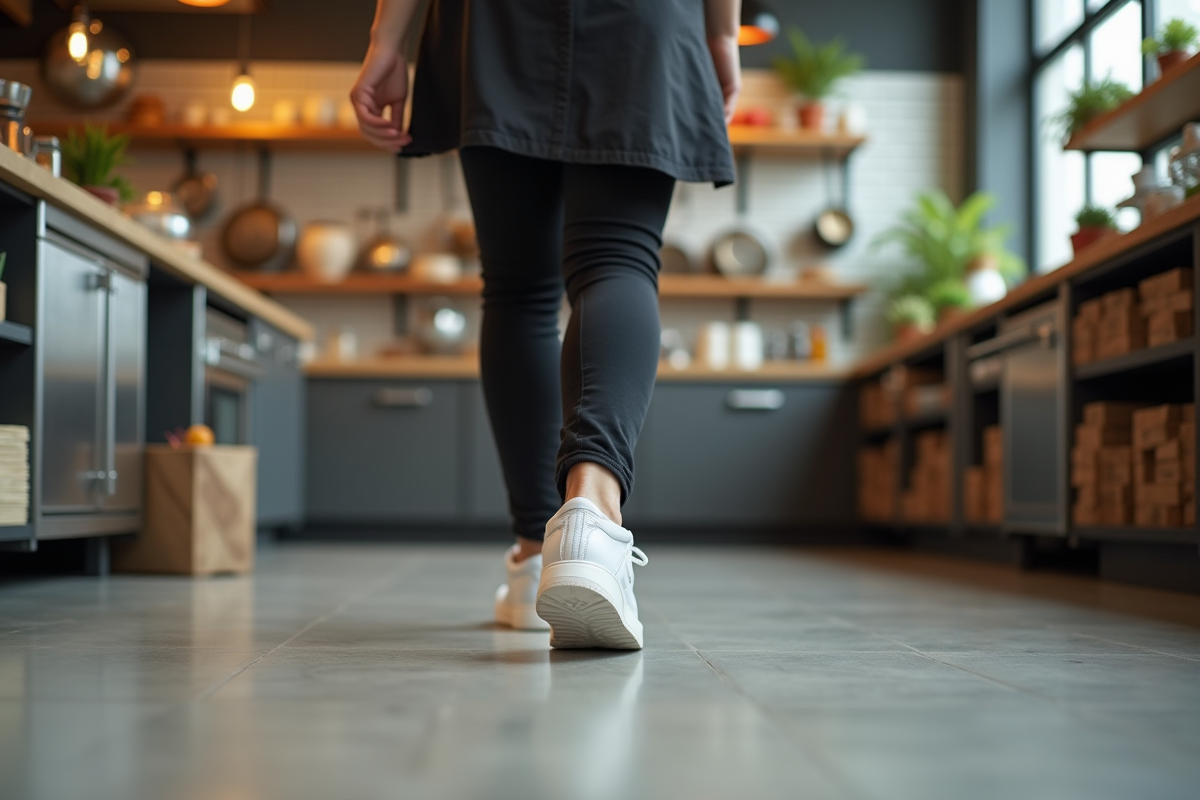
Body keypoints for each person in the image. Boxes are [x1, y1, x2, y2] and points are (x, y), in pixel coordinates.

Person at [351, 0, 740, 650]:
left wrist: (386, 39)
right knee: (616, 258)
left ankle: (537, 548)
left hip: (495, 23)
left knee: (518, 290)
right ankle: (591, 511)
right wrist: (721, 34)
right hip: (643, 19)